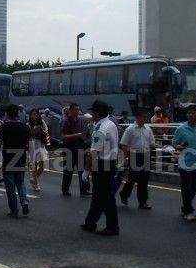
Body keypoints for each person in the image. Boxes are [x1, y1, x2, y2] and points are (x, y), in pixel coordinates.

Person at [81, 100, 120, 235]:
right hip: (110, 162)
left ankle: (112, 226)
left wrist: (86, 170)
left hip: (103, 164)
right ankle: (90, 222)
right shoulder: (111, 124)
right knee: (98, 195)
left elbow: (93, 153)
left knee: (106, 197)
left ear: (96, 113)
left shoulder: (100, 129)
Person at [0, 104, 31, 218]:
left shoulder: (4, 127)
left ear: (7, 114)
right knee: (20, 182)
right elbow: (28, 144)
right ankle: (24, 201)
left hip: (9, 158)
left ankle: (14, 209)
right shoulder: (25, 127)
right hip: (21, 157)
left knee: (10, 186)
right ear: (18, 113)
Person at [172, 106, 196, 221]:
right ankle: (188, 211)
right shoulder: (181, 128)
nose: (190, 115)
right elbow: (174, 143)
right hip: (184, 163)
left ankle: (185, 208)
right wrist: (178, 146)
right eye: (189, 113)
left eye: (193, 113)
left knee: (193, 188)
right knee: (186, 188)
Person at [118, 107, 155, 210]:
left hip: (146, 155)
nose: (146, 119)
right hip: (134, 156)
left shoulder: (148, 129)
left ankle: (143, 202)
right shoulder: (130, 129)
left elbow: (151, 143)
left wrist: (163, 147)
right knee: (133, 178)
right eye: (144, 117)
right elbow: (123, 144)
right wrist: (125, 158)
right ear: (137, 117)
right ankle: (124, 194)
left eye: (146, 117)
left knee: (144, 179)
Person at [60, 103, 91, 197]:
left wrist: (82, 137)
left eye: (78, 110)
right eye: (75, 110)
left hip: (79, 146)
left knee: (82, 169)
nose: (77, 111)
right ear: (70, 110)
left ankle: (84, 190)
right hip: (69, 147)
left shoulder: (80, 120)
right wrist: (76, 135)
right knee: (68, 170)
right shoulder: (66, 121)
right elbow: (63, 136)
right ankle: (65, 190)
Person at [27, 108, 49, 192]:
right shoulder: (28, 124)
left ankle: (34, 178)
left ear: (38, 115)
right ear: (30, 115)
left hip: (40, 144)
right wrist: (34, 132)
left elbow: (46, 132)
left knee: (42, 166)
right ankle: (36, 184)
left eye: (36, 114)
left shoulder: (42, 122)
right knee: (34, 165)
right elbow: (28, 135)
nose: (34, 115)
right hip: (32, 144)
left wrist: (41, 131)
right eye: (32, 114)